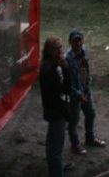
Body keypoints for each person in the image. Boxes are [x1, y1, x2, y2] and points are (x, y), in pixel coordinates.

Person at [65, 30, 107, 156]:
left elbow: (85, 68)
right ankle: (75, 145)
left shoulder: (85, 50)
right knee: (74, 120)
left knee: (90, 114)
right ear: (70, 42)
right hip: (74, 94)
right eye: (75, 41)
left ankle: (90, 138)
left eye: (80, 40)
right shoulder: (67, 59)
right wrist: (78, 94)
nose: (78, 43)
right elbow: (67, 83)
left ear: (82, 41)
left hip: (85, 89)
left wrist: (87, 84)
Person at [40, 36, 71, 177]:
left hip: (57, 109)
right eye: (56, 48)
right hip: (56, 112)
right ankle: (57, 172)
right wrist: (66, 69)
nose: (60, 50)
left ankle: (58, 166)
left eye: (60, 47)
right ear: (49, 50)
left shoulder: (52, 65)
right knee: (54, 147)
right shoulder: (49, 69)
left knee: (56, 142)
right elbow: (65, 89)